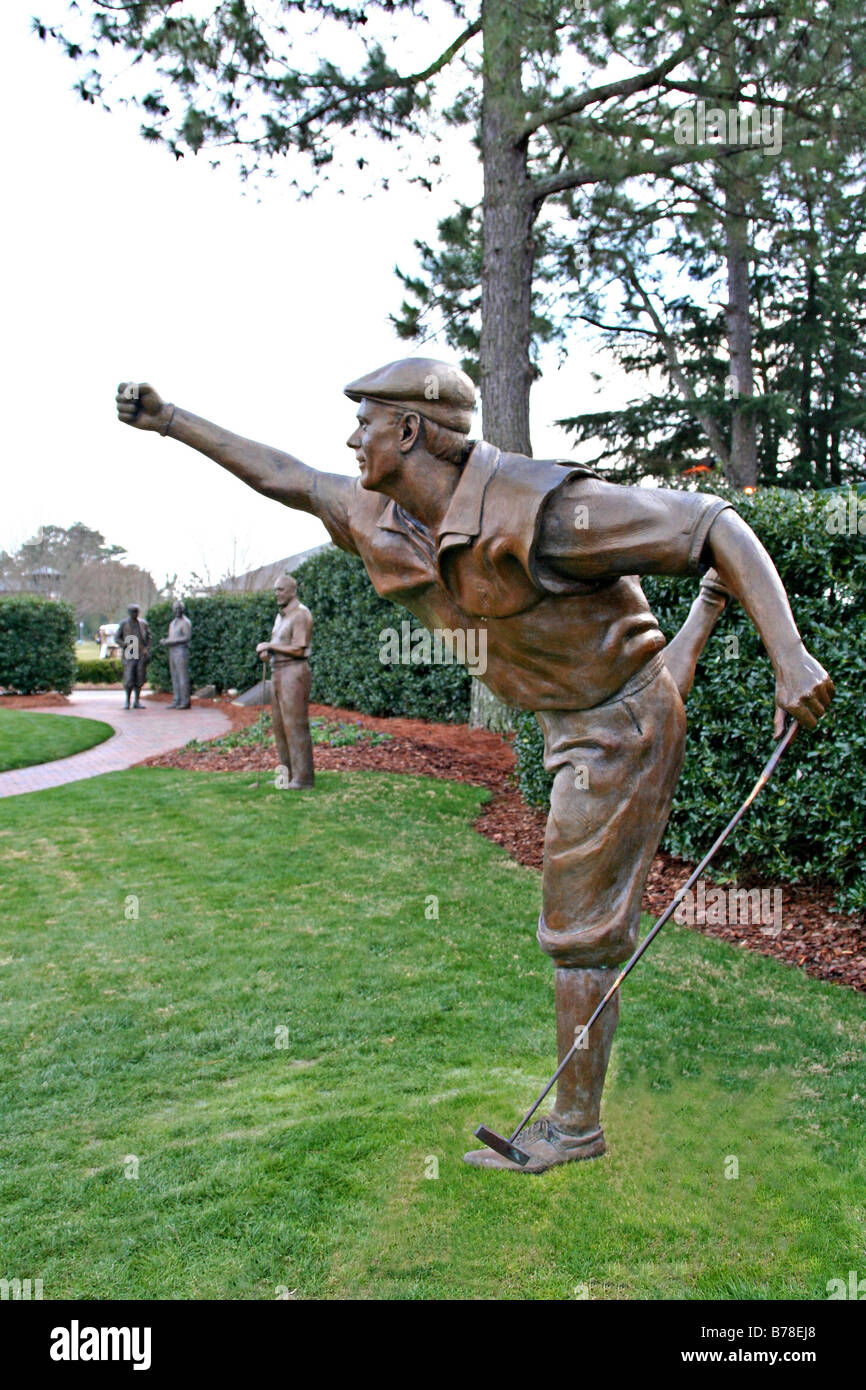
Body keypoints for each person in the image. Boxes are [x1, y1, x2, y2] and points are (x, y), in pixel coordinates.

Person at [115, 362, 833, 1172]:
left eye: (368, 424)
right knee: (582, 903)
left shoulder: (546, 510)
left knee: (579, 933)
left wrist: (791, 655)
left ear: (412, 431)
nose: (353, 440)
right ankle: (703, 613)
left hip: (617, 726)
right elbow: (284, 475)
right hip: (570, 710)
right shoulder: (377, 515)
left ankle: (574, 1129)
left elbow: (713, 523)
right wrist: (172, 418)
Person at [256, 573, 315, 789]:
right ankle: (285, 776)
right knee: (279, 727)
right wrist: (267, 653)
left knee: (295, 725)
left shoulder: (301, 614)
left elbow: (300, 649)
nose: (276, 594)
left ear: (292, 590)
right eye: (275, 590)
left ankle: (303, 778)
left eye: (280, 589)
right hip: (278, 672)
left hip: (294, 673)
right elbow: (277, 644)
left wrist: (270, 647)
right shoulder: (280, 617)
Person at [115, 603, 151, 710]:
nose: (135, 613)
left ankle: (137, 701)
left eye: (136, 611)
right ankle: (127, 701)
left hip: (141, 653)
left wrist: (146, 649)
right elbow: (117, 638)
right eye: (132, 611)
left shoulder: (143, 624)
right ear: (129, 613)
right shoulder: (124, 624)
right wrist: (124, 644)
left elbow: (149, 637)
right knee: (129, 678)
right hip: (130, 653)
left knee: (139, 678)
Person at [160, 599, 192, 709]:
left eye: (180, 608)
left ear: (183, 610)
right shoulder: (172, 623)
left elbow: (186, 638)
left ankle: (185, 701)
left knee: (182, 677)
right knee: (174, 676)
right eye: (176, 609)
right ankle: (176, 699)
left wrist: (170, 641)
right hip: (172, 651)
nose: (178, 611)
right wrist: (166, 641)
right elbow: (172, 637)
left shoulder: (186, 622)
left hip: (181, 651)